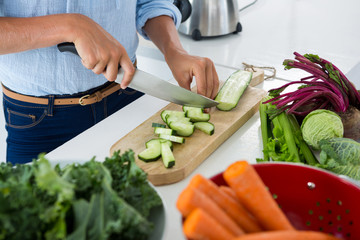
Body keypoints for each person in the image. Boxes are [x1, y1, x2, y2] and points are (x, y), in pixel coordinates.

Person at [0, 1, 219, 164]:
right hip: (39, 122)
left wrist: (174, 49)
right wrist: (70, 25)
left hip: (127, 96)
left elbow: (148, 2)